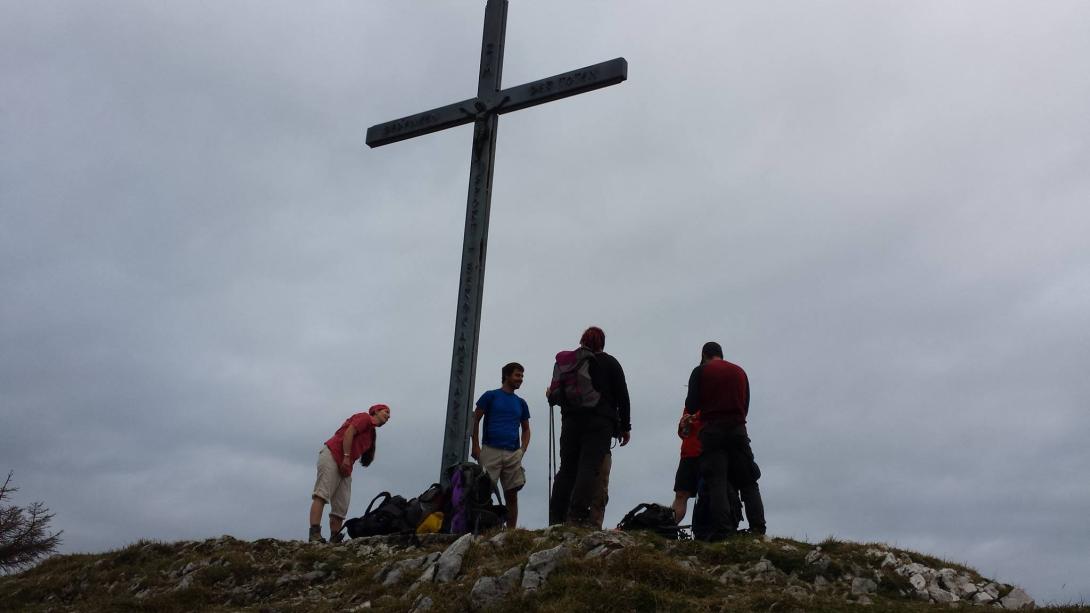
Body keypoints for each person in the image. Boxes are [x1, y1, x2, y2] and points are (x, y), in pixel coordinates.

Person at [548, 326, 631, 526]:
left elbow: (555, 396)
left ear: (582, 341)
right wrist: (625, 427)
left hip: (570, 422)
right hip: (599, 423)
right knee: (588, 468)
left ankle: (556, 518)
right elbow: (623, 396)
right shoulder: (610, 363)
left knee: (567, 468)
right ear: (602, 343)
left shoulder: (571, 363)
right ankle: (576, 516)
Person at [685, 341, 766, 539]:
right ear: (721, 354)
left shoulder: (700, 371)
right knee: (748, 480)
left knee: (717, 480)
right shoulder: (740, 371)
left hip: (712, 431)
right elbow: (745, 405)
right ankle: (758, 529)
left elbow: (692, 404)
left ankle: (724, 530)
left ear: (704, 354)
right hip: (738, 430)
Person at [308, 404, 391, 543]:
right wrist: (346, 456)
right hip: (333, 455)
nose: (388, 416)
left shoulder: (371, 433)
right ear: (376, 411)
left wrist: (349, 461)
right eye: (386, 412)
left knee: (341, 504)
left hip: (346, 466)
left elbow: (363, 453)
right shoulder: (364, 418)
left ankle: (335, 537)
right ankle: (314, 533)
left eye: (389, 415)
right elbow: (349, 433)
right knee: (322, 494)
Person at [472, 362, 531, 529]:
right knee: (484, 492)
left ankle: (511, 531)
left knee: (511, 494)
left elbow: (526, 429)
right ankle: (480, 529)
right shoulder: (490, 396)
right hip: (491, 449)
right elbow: (475, 419)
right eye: (517, 375)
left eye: (521, 376)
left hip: (513, 453)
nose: (520, 379)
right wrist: (475, 446)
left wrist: (522, 450)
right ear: (506, 376)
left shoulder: (521, 403)